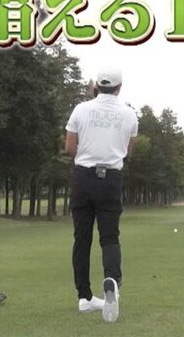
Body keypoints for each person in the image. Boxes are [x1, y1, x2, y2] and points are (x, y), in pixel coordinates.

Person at [64, 66, 138, 323]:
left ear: (97, 85)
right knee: (109, 237)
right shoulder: (129, 114)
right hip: (111, 179)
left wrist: (89, 152)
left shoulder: (80, 109)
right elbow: (129, 151)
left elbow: (69, 147)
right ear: (119, 87)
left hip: (83, 177)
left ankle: (84, 297)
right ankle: (112, 284)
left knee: (81, 238)